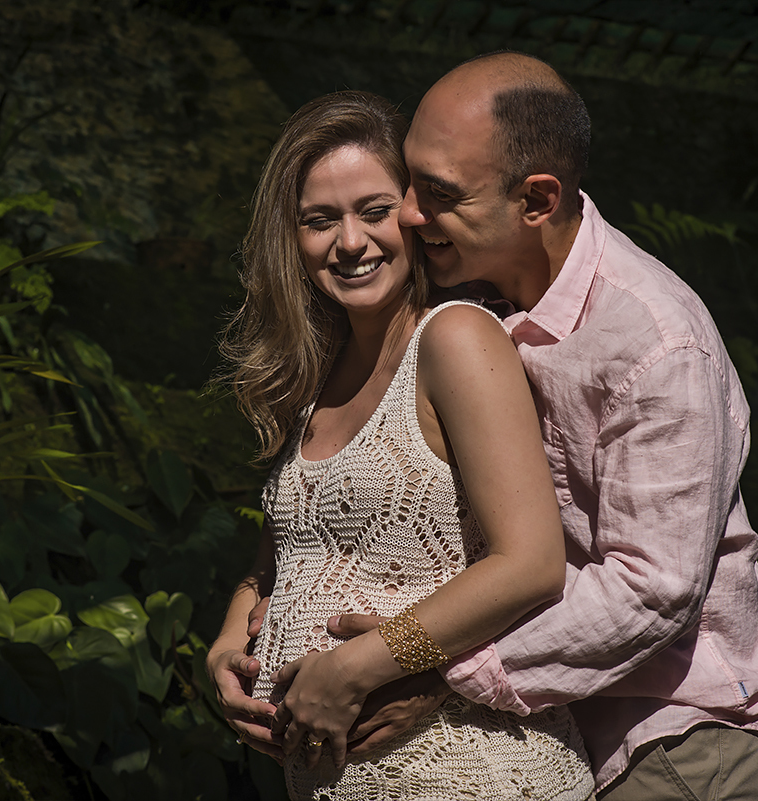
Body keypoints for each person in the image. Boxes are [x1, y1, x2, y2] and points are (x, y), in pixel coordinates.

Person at [220, 54, 758, 800]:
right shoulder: (478, 308)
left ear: (535, 199)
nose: (410, 216)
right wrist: (239, 637)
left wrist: (428, 670)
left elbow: (649, 590)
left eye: (435, 195)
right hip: (567, 722)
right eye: (412, 187)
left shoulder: (652, 342)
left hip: (679, 732)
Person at [207, 90, 595, 801]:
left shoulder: (453, 338)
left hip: (469, 772)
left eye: (373, 211)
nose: (349, 242)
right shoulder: (313, 374)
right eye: (319, 220)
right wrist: (231, 641)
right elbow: (286, 549)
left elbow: (533, 562)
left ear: (415, 216)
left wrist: (368, 664)